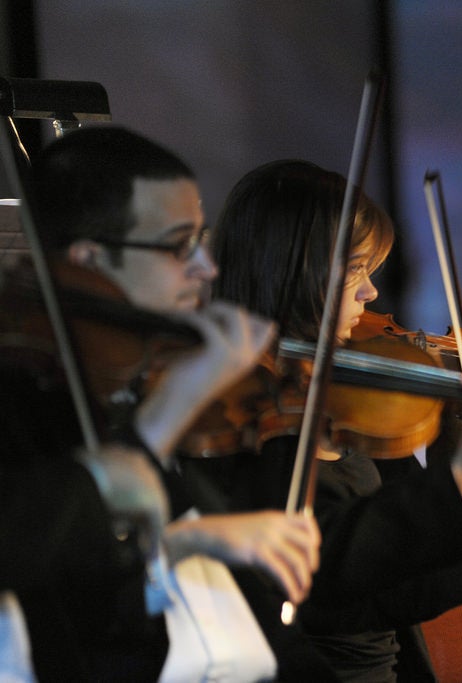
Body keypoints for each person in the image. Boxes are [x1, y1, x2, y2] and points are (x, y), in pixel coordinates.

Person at [205, 159, 462, 680]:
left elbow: (404, 528)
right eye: (353, 270)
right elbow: (330, 585)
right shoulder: (244, 413)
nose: (370, 292)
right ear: (289, 266)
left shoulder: (335, 394)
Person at [20, 124, 332, 680]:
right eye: (177, 245)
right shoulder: (30, 408)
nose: (207, 270)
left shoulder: (155, 385)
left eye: (202, 242)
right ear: (88, 260)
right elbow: (63, 587)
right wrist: (173, 409)